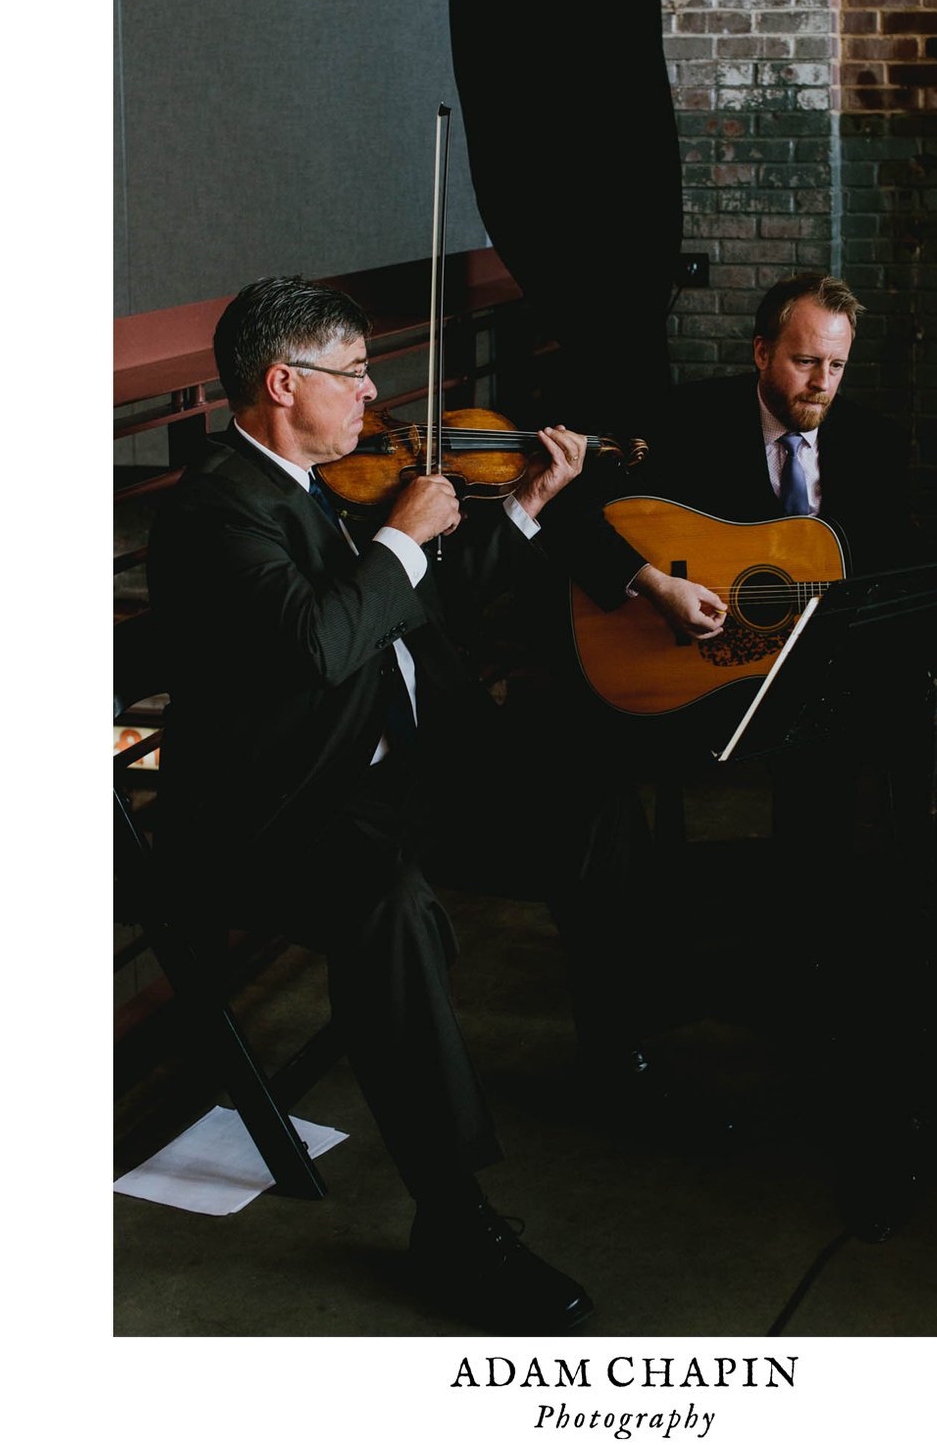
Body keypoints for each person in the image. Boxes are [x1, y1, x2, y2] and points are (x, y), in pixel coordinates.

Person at [143, 274, 613, 1333]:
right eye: (352, 374)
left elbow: (414, 607)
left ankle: (617, 1055)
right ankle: (454, 1220)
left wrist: (525, 507)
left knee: (585, 787)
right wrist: (402, 533)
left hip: (395, 774)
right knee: (389, 909)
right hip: (284, 815)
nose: (371, 396)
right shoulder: (214, 513)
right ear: (280, 381)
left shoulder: (318, 483)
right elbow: (321, 645)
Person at [547, 272, 915, 641]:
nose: (823, 383)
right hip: (696, 660)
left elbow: (898, 568)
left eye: (837, 366)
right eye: (806, 361)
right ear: (762, 353)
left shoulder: (877, 445)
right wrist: (654, 584)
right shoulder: (687, 419)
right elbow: (570, 504)